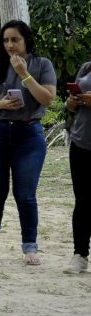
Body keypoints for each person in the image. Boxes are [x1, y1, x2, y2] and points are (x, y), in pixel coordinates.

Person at [0, 20, 56, 266]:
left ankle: (30, 248)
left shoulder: (42, 65)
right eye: (6, 40)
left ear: (26, 41)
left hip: (29, 135)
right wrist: (1, 104)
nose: (10, 45)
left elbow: (48, 99)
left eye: (15, 40)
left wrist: (24, 74)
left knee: (26, 195)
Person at [65, 61, 91, 274]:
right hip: (81, 142)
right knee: (82, 200)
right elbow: (70, 107)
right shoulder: (86, 67)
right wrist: (72, 101)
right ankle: (80, 254)